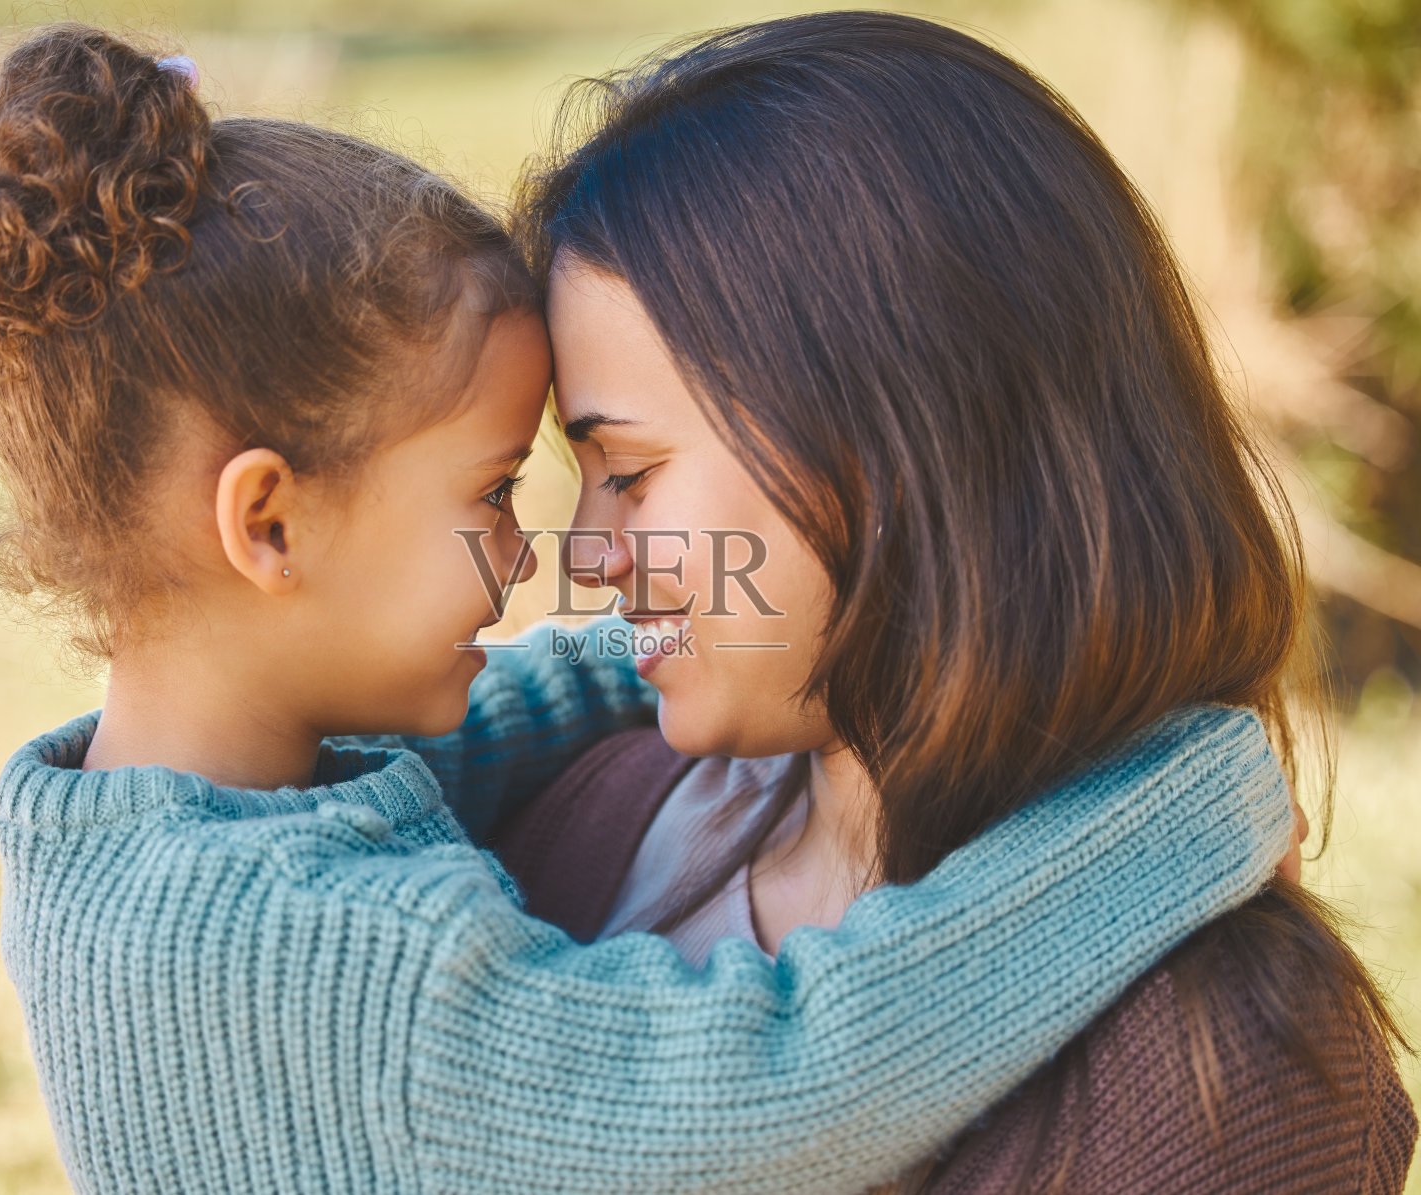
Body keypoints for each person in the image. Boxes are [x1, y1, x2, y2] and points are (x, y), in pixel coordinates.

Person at [0, 22, 1302, 1195]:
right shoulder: (325, 965)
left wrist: (770, 629)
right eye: (499, 489)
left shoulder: (175, 812)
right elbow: (779, 1087)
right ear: (269, 519)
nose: (553, 549)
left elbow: (528, 698)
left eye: (618, 471)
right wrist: (1183, 810)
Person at [502, 11, 1417, 1192]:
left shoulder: (1219, 1054)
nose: (588, 552)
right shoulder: (575, 827)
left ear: (894, 447)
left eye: (627, 474)